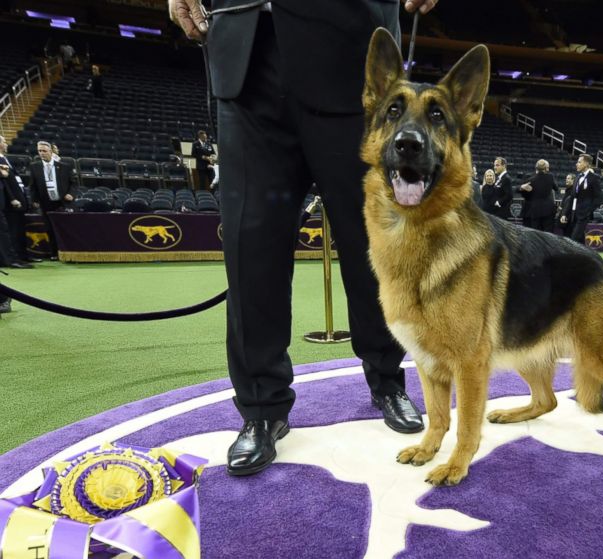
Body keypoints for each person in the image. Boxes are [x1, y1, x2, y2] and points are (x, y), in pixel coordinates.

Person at [169, 0, 438, 477]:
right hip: (246, 55)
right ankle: (261, 409)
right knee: (251, 248)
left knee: (371, 245)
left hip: (350, 57)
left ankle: (387, 379)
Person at [29, 141, 74, 259]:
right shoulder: (34, 167)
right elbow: (32, 186)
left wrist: (70, 194)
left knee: (66, 228)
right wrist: (34, 199)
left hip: (62, 202)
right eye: (39, 151)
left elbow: (73, 184)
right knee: (49, 228)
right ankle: (55, 253)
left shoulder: (65, 166)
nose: (42, 153)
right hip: (46, 202)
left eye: (44, 151)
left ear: (51, 151)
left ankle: (69, 251)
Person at [1, 135, 35, 265]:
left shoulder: (6, 158)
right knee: (13, 231)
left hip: (19, 199)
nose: (6, 144)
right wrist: (13, 198)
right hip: (11, 202)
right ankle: (15, 258)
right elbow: (5, 184)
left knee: (20, 230)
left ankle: (23, 255)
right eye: (4, 142)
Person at [560, 154, 603, 244]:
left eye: (579, 162)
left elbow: (599, 198)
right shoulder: (577, 177)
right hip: (573, 214)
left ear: (586, 164)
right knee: (580, 240)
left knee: (573, 239)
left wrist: (588, 211)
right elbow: (572, 198)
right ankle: (586, 257)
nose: (576, 164)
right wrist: (564, 214)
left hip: (583, 215)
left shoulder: (594, 178)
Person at [518, 159, 556, 232]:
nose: (548, 169)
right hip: (533, 212)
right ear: (545, 168)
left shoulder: (532, 179)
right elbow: (556, 188)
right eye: (547, 167)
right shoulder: (529, 177)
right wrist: (521, 187)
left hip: (541, 212)